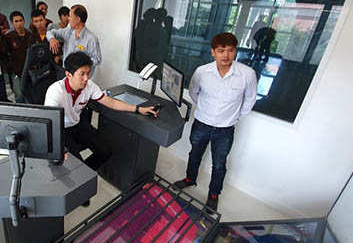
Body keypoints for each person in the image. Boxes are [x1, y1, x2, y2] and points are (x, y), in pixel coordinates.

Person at [174, 33, 257, 212]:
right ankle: (190, 179)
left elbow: (250, 99)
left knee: (219, 164)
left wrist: (236, 117)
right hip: (201, 123)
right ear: (213, 52)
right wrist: (205, 109)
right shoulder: (202, 72)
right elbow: (193, 92)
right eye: (221, 50)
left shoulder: (247, 74)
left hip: (225, 130)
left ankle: (213, 194)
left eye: (230, 50)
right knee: (194, 154)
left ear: (235, 51)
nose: (226, 55)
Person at [45, 51, 157, 173]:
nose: (86, 78)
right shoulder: (55, 91)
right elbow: (49, 122)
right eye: (82, 74)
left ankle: (85, 174)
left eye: (88, 73)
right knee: (76, 165)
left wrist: (138, 109)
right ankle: (81, 175)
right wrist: (58, 146)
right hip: (60, 129)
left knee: (105, 151)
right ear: (68, 75)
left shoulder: (89, 86)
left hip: (77, 124)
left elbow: (111, 103)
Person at [48, 4, 102, 75]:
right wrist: (51, 39)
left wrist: (82, 65)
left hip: (82, 78)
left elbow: (97, 59)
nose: (68, 19)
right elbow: (50, 32)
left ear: (78, 20)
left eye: (70, 16)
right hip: (67, 75)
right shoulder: (67, 32)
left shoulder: (91, 39)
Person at [5, 11, 34, 102]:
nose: (19, 23)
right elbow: (5, 54)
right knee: (19, 95)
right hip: (16, 71)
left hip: (29, 70)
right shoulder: (8, 37)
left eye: (21, 20)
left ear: (24, 21)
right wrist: (11, 67)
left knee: (30, 93)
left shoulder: (30, 35)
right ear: (12, 23)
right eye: (16, 21)